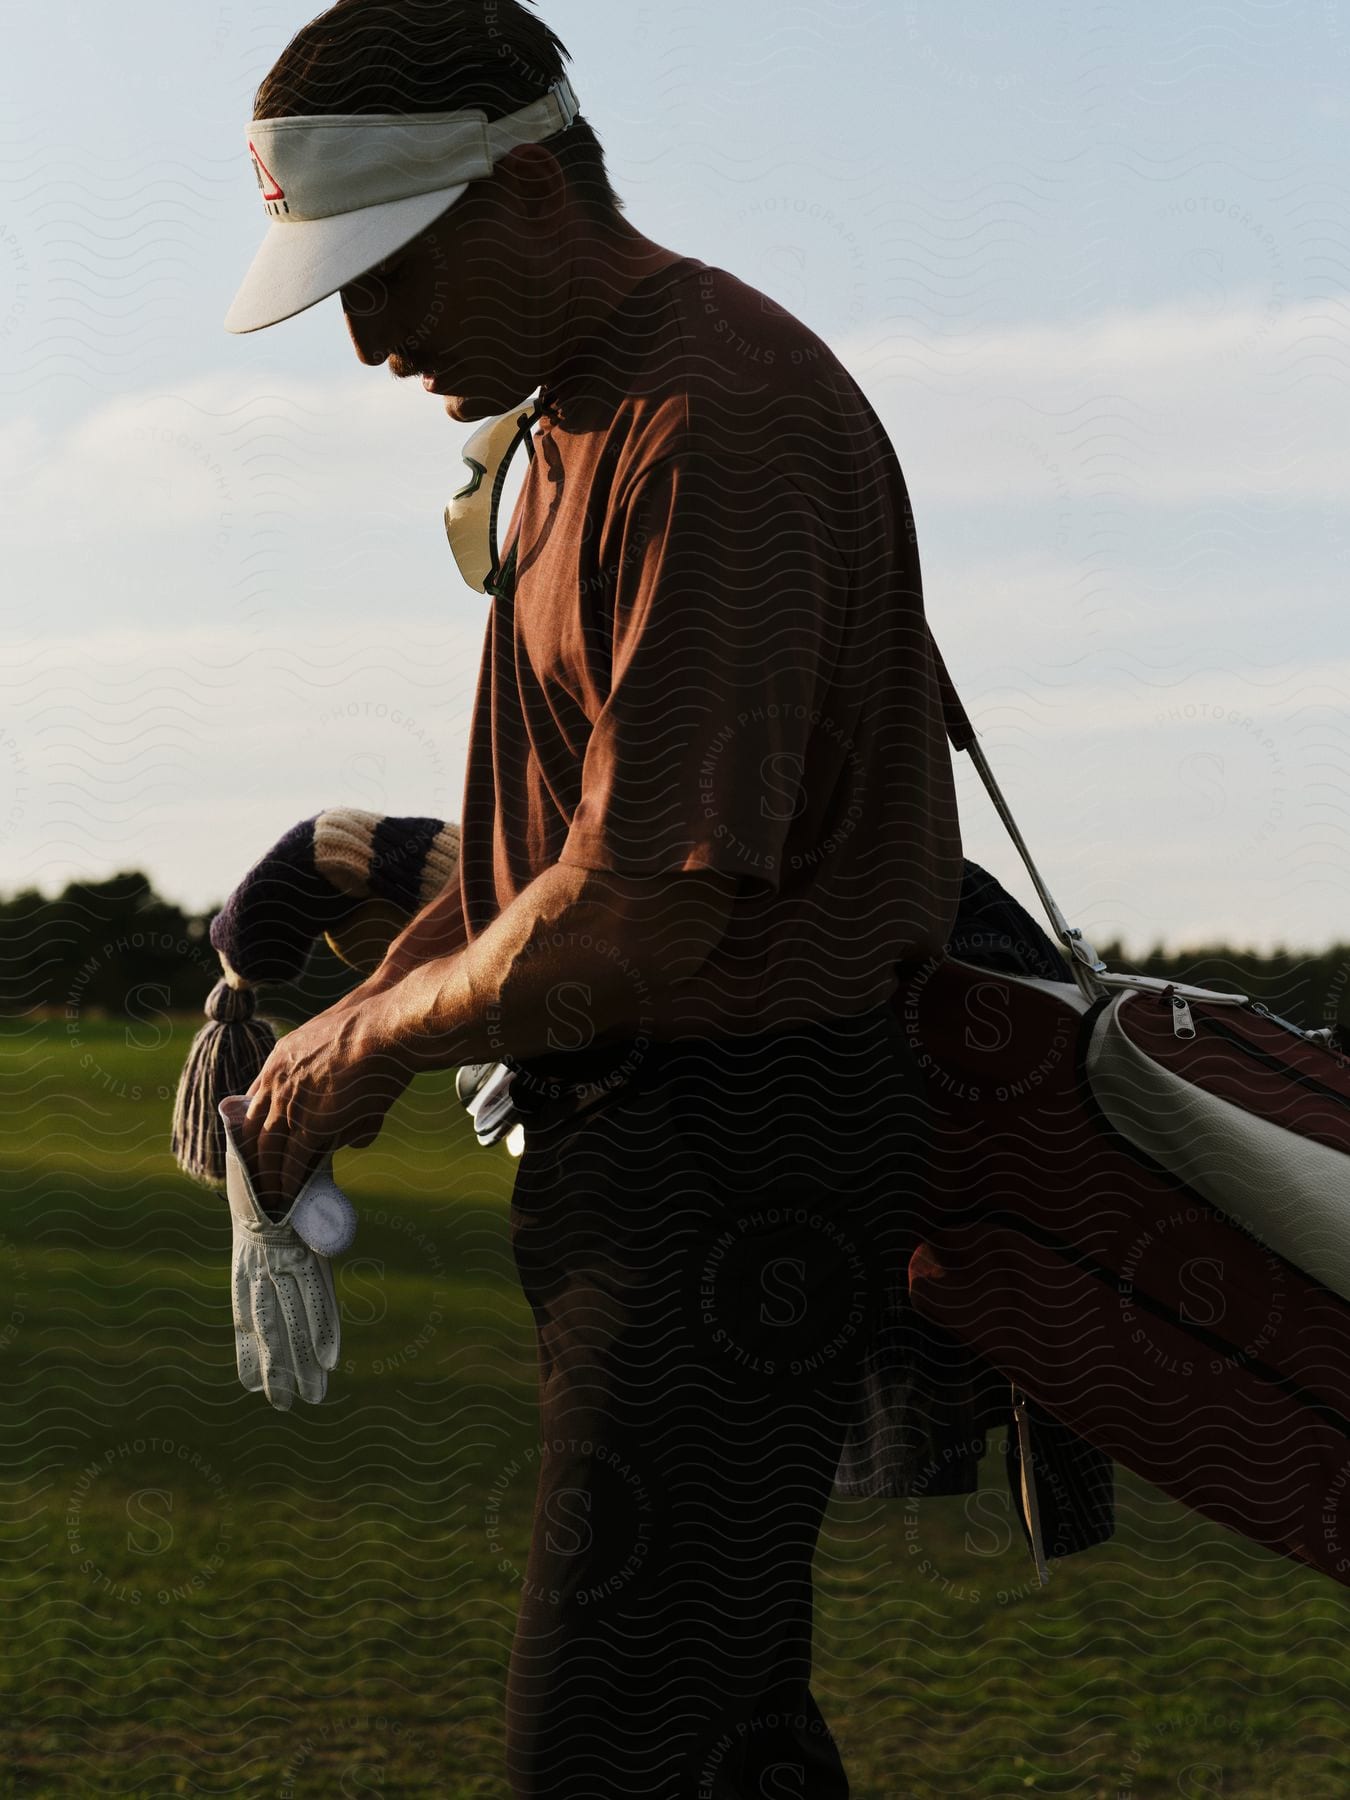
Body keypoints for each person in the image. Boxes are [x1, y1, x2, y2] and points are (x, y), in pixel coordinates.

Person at [224, 3, 965, 1793]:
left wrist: (344, 1061)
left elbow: (635, 918)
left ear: (531, 187)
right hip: (671, 1155)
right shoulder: (581, 419)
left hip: (737, 1162)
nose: (371, 338)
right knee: (721, 1741)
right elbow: (537, 855)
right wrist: (365, 1010)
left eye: (392, 272)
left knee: (609, 1749)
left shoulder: (706, 423)